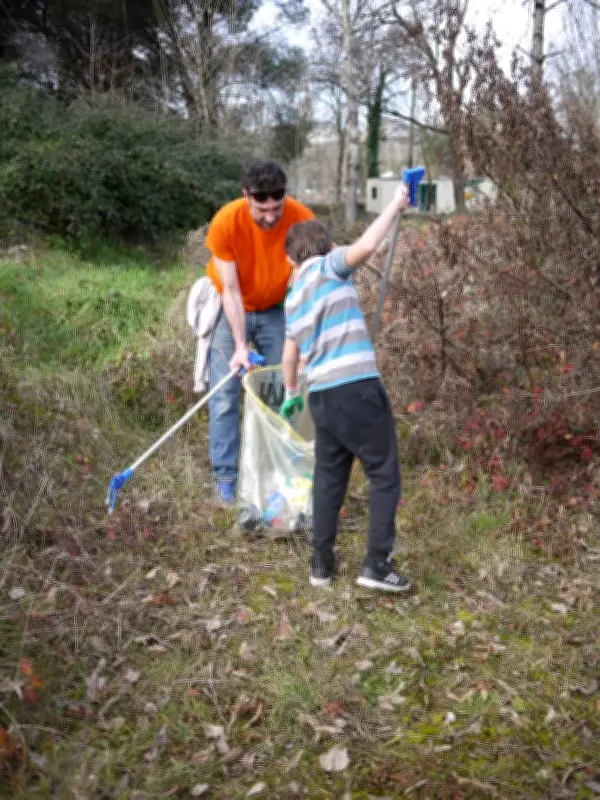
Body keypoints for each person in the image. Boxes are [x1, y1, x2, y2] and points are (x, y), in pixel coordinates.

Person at [279, 184, 411, 593]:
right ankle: (376, 565)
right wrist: (395, 203)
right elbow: (369, 244)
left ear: (288, 260)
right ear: (330, 247)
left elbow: (289, 354)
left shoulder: (292, 298)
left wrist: (289, 394)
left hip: (320, 396)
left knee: (329, 476)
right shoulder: (328, 265)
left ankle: (321, 564)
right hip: (356, 389)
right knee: (384, 473)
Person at [205, 161, 315, 505]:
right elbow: (231, 291)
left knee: (285, 388)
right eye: (261, 208)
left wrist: (309, 336)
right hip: (234, 305)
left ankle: (281, 473)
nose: (270, 217)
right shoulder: (226, 221)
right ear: (246, 197)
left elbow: (312, 278)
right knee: (224, 396)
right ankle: (226, 477)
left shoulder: (300, 217)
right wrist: (239, 346)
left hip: (275, 309)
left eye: (276, 208)